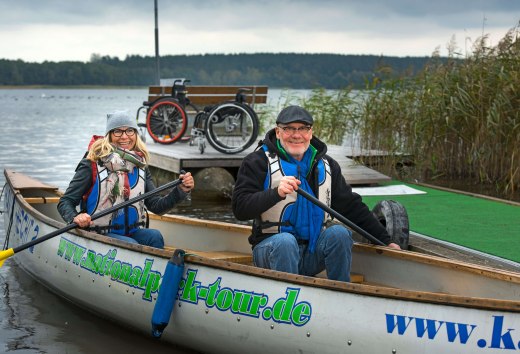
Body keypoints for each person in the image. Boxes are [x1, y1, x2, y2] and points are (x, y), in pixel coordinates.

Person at [232, 105, 400, 282]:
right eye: (289, 129)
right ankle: (287, 299)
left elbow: (351, 206)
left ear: (311, 133)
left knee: (339, 234)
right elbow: (240, 209)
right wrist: (275, 193)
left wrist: (385, 240)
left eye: (302, 129)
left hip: (312, 253)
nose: (296, 135)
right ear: (278, 132)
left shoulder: (327, 165)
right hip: (271, 252)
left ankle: (341, 291)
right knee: (285, 242)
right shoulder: (257, 162)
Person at [58, 110, 194, 249]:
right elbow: (65, 201)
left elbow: (156, 206)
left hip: (131, 232)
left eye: (130, 131)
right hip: (98, 235)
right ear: (109, 135)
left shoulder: (140, 165)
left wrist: (180, 191)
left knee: (155, 236)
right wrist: (75, 217)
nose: (124, 137)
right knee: (130, 244)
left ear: (135, 134)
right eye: (117, 131)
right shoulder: (91, 164)